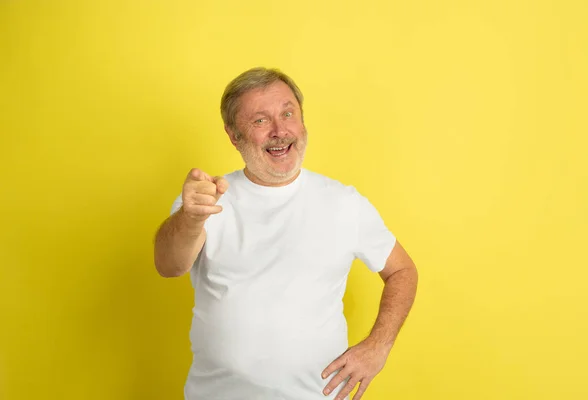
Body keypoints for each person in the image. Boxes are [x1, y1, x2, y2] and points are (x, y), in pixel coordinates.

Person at [153, 67, 418, 400]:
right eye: (260, 121)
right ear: (234, 136)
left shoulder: (344, 203)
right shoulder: (205, 199)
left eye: (288, 114)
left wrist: (378, 346)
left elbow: (402, 271)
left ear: (303, 122)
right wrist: (190, 218)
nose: (280, 131)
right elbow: (168, 266)